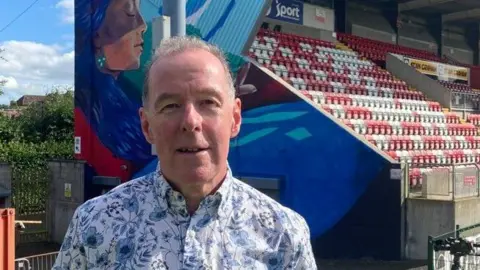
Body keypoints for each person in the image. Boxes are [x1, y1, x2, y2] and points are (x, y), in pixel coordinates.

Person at [53, 36, 317, 269]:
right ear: (147, 126)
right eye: (170, 105)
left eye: (208, 103)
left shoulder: (284, 235)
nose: (191, 121)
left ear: (235, 118)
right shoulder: (94, 225)